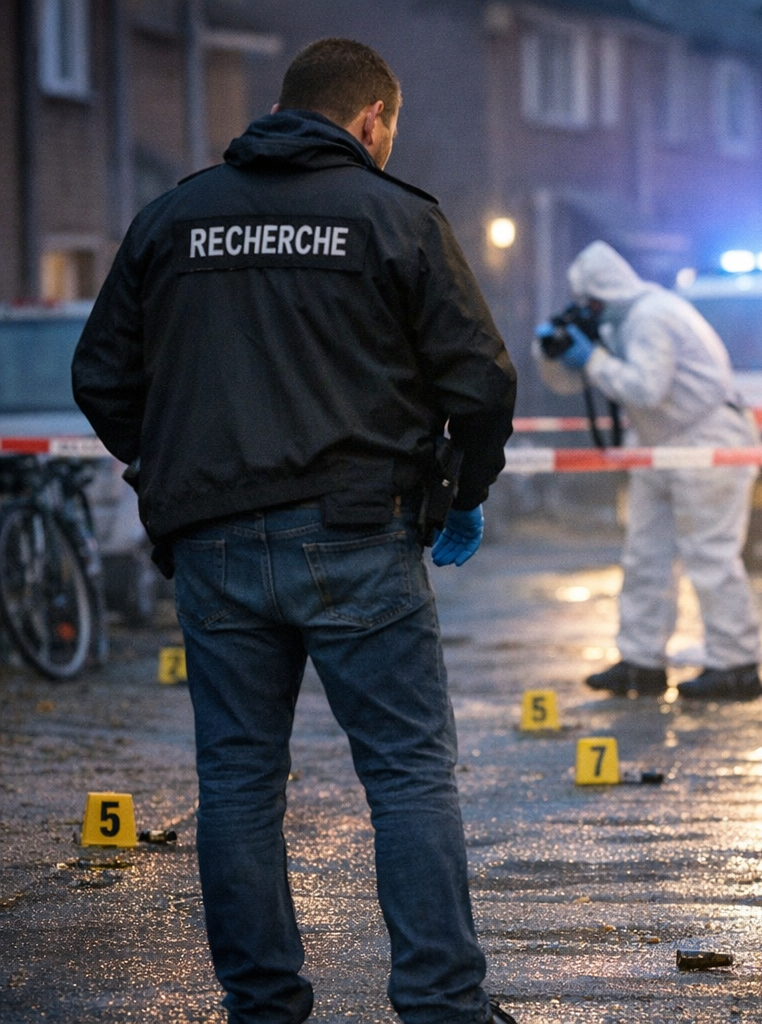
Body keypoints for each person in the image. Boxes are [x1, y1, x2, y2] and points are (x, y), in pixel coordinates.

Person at [73, 39, 519, 1024]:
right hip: (361, 531)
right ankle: (443, 1006)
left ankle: (263, 1006)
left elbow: (99, 374)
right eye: (389, 131)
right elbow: (480, 379)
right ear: (370, 121)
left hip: (214, 544)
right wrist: (464, 488)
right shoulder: (395, 217)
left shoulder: (173, 217)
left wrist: (167, 471)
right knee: (406, 775)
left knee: (236, 780)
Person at [534, 241, 762, 700]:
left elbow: (646, 387)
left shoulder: (650, 316)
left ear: (603, 294)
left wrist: (594, 359)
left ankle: (735, 664)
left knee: (710, 555)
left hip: (706, 438)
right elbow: (568, 382)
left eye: (588, 303)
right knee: (645, 554)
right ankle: (641, 661)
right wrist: (551, 350)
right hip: (661, 442)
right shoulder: (619, 321)